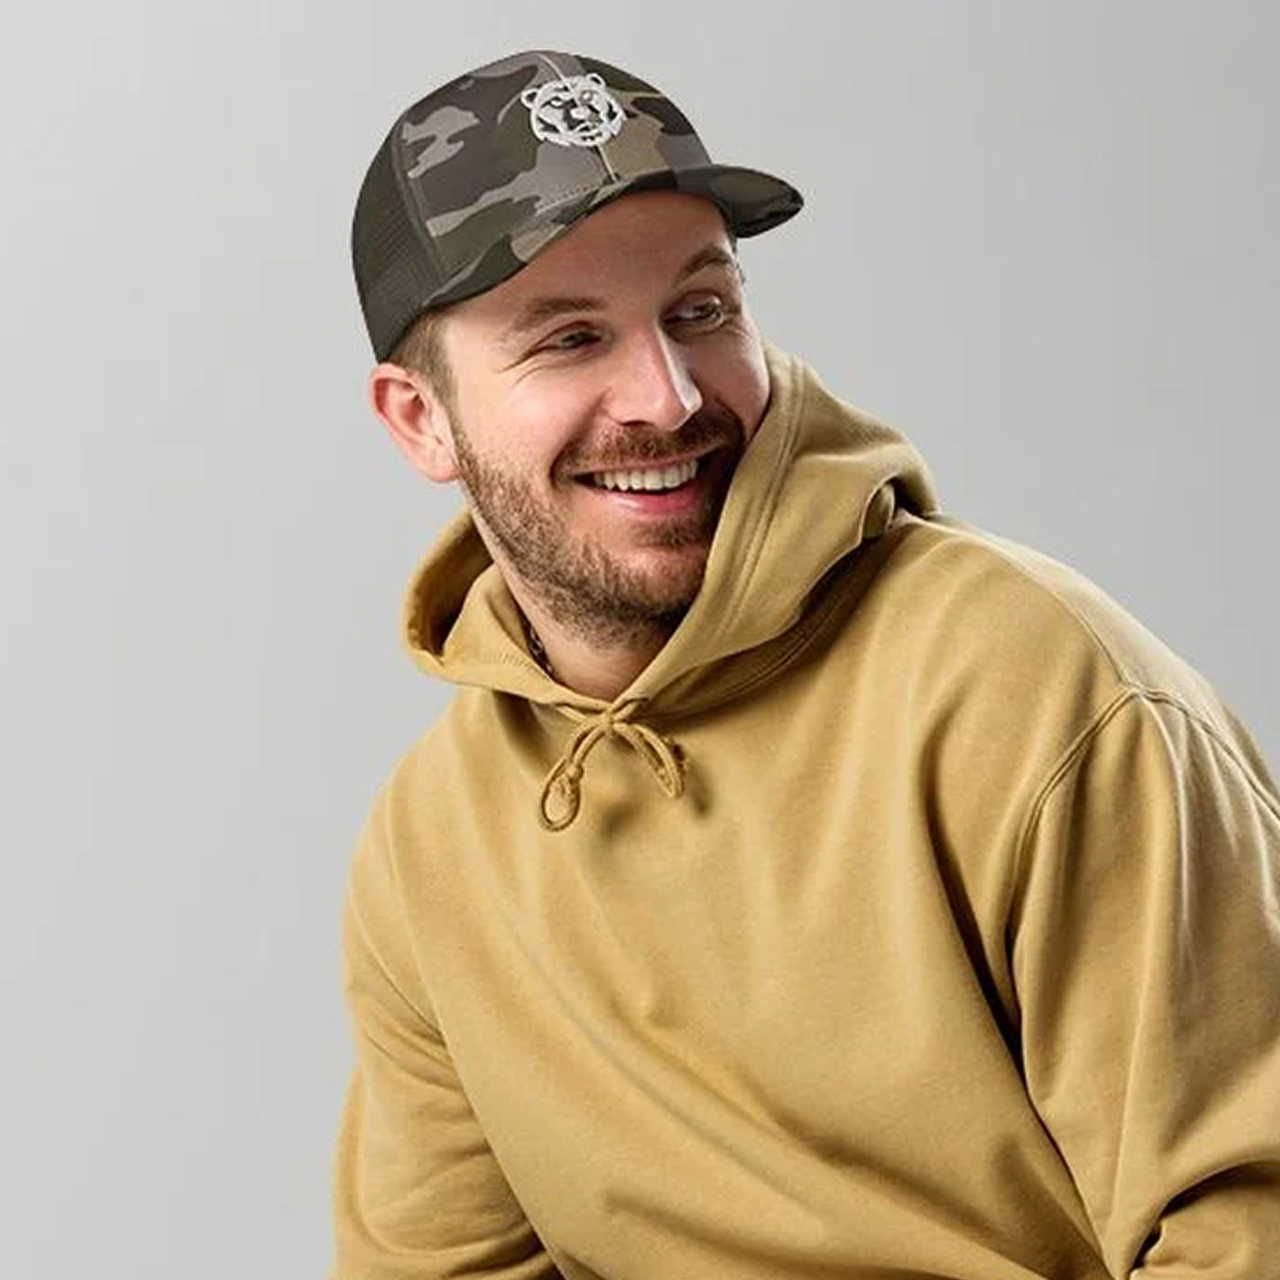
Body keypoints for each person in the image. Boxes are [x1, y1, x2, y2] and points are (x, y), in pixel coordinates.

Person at [331, 49, 1280, 1280]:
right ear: (420, 419)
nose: (665, 397)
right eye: (568, 338)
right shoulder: (429, 848)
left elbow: (1244, 1222)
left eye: (700, 311)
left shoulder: (1035, 691)